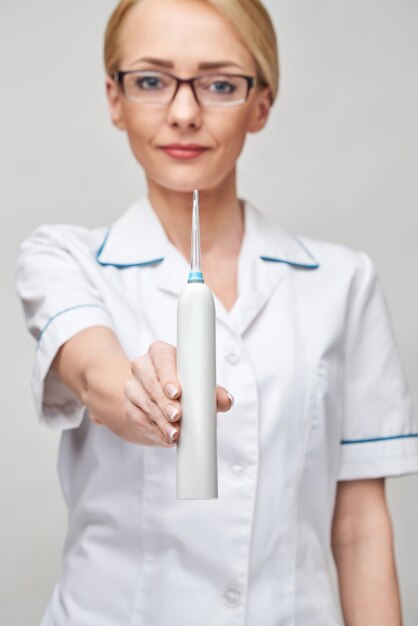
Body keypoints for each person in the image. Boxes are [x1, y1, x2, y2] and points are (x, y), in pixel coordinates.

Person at [16, 0, 418, 624]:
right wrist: (138, 392)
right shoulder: (63, 256)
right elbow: (96, 375)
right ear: (114, 98)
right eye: (151, 80)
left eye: (220, 84)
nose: (183, 113)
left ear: (261, 103)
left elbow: (360, 527)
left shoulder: (343, 284)